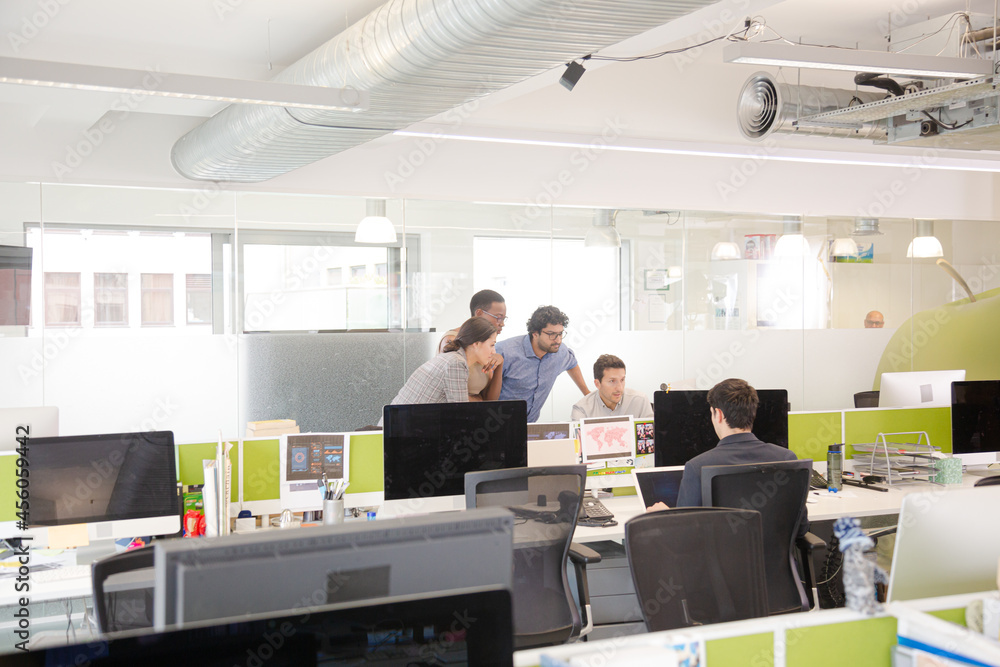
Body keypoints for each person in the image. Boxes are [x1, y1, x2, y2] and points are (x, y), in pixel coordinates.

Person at [649, 378, 799, 511]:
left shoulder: (697, 467)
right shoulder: (787, 459)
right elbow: (800, 525)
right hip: (771, 536)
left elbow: (686, 528)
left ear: (718, 415)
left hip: (723, 536)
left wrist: (665, 514)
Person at [379, 318, 497, 424]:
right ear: (476, 344)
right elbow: (461, 415)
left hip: (398, 427)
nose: (494, 351)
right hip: (398, 430)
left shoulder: (452, 357)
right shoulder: (456, 363)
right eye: (492, 345)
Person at [496, 305, 589, 422]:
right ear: (535, 333)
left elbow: (572, 364)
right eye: (551, 334)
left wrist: (587, 394)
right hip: (497, 424)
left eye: (560, 333)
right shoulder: (504, 352)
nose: (558, 340)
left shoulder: (560, 351)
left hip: (530, 425)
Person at [438, 289, 507, 401]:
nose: (502, 324)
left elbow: (490, 400)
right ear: (479, 313)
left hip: (473, 410)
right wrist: (479, 401)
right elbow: (453, 396)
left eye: (504, 319)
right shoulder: (452, 340)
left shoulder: (485, 346)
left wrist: (499, 365)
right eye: (498, 317)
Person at [570, 354, 653, 420]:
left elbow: (651, 435)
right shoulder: (582, 410)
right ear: (597, 384)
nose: (619, 388)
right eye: (612, 381)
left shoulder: (640, 401)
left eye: (622, 380)